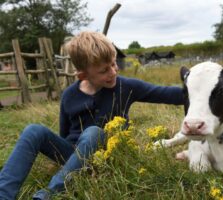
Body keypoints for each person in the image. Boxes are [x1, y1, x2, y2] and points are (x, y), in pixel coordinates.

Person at [0, 31, 184, 200]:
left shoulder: (126, 86)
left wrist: (201, 87)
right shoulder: (69, 96)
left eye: (113, 64)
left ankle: (48, 194)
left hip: (107, 157)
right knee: (33, 131)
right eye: (104, 70)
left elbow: (167, 93)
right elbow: (64, 135)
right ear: (82, 76)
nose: (112, 72)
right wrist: (70, 162)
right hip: (73, 157)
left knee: (93, 132)